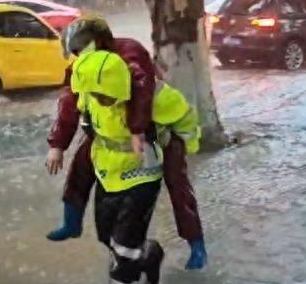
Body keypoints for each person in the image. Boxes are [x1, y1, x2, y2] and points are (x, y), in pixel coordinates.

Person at [46, 16, 207, 269]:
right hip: (112, 134)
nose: (77, 58)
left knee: (177, 183)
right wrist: (57, 144)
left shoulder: (129, 53)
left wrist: (138, 130)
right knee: (82, 161)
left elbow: (142, 89)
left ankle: (196, 244)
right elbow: (69, 100)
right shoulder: (84, 66)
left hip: (155, 131)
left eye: (80, 51)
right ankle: (71, 221)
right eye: (74, 54)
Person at [70, 49, 165, 284]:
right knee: (107, 237)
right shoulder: (88, 96)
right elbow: (73, 118)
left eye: (107, 96)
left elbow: (184, 116)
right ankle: (149, 254)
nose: (102, 101)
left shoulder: (150, 96)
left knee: (124, 248)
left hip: (142, 176)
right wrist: (57, 147)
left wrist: (185, 145)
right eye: (97, 96)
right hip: (108, 175)